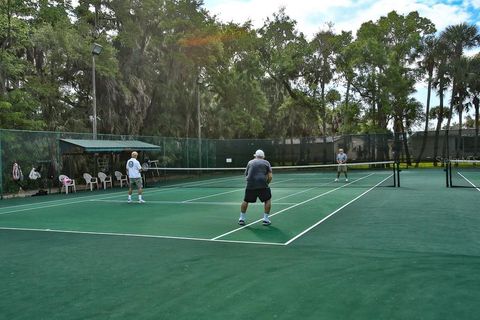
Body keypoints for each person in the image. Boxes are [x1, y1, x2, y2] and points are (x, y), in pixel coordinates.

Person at [239, 149, 273, 226]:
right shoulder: (266, 162)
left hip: (250, 185)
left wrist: (250, 182)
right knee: (267, 200)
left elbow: (246, 174)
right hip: (263, 185)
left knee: (246, 200)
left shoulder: (250, 162)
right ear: (263, 156)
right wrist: (266, 183)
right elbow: (270, 176)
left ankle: (241, 219)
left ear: (255, 156)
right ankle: (266, 219)